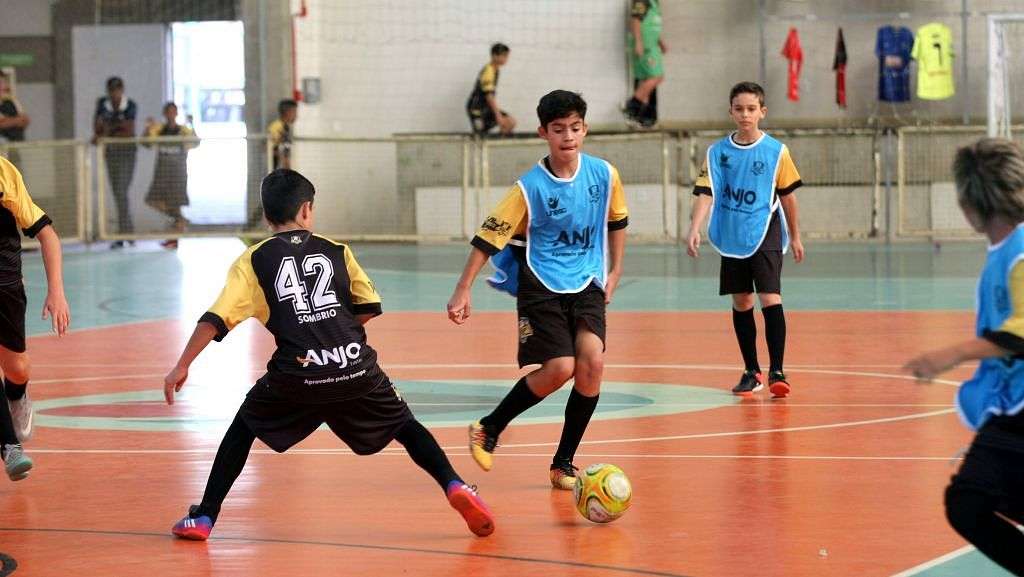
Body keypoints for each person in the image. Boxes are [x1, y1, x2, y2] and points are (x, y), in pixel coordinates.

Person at [164, 169, 494, 540]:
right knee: (406, 425)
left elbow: (215, 319)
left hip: (296, 375)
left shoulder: (253, 261)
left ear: (267, 215)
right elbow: (369, 304)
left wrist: (181, 365)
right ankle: (455, 485)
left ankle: (205, 517)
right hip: (354, 367)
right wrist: (337, 340)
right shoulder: (336, 250)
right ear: (307, 210)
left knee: (242, 429)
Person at [447, 90, 628, 490]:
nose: (568, 136)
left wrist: (615, 271)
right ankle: (489, 426)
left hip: (587, 281)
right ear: (543, 132)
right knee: (561, 368)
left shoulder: (604, 175)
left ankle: (563, 463)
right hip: (541, 283)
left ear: (585, 129)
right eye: (559, 129)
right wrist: (463, 289)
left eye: (575, 128)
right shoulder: (529, 187)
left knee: (592, 364)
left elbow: (617, 222)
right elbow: (488, 238)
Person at [905, 138, 1024, 576]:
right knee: (969, 501)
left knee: (969, 502)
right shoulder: (1006, 252)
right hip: (1011, 406)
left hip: (1020, 414)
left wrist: (950, 354)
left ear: (971, 201)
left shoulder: (1021, 253)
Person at [686, 81, 804, 397]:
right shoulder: (717, 153)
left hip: (765, 228)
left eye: (751, 109)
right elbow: (705, 192)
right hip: (732, 231)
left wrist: (795, 236)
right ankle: (751, 370)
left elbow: (789, 197)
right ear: (731, 111)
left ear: (762, 112)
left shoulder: (776, 152)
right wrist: (694, 227)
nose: (745, 114)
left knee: (769, 297)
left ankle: (778, 370)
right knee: (742, 301)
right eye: (739, 108)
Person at [0, 156, 71, 481]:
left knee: (17, 368)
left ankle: (16, 394)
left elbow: (48, 236)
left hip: (6, 285)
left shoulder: (3, 172)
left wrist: (56, 291)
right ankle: (10, 447)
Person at [144, 102, 197, 250]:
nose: (171, 114)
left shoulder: (183, 130)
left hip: (178, 173)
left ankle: (173, 239)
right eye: (168, 111)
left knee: (175, 205)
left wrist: (193, 125)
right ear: (164, 113)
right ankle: (180, 220)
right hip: (161, 172)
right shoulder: (159, 129)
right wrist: (148, 128)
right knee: (153, 200)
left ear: (176, 113)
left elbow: (195, 142)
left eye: (174, 111)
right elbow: (146, 143)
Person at [93, 76, 138, 248]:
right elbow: (97, 129)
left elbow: (128, 130)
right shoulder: (102, 104)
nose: (114, 94)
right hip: (110, 153)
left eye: (117, 90)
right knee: (118, 193)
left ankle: (124, 234)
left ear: (122, 90)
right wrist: (111, 130)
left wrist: (107, 130)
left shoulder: (131, 105)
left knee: (121, 191)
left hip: (127, 153)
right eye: (111, 90)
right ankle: (127, 232)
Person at [622, 0, 666, 129]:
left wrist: (660, 42)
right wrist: (639, 42)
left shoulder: (655, 4)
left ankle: (643, 116)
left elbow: (651, 26)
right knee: (657, 77)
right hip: (646, 48)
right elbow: (635, 21)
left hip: (652, 47)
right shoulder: (642, 1)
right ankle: (631, 107)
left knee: (649, 79)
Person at [466, 43, 515, 137]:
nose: (506, 59)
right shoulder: (488, 71)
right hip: (476, 109)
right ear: (494, 55)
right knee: (480, 132)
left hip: (486, 108)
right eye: (504, 56)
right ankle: (480, 137)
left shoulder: (495, 70)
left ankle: (497, 144)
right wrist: (498, 115)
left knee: (510, 122)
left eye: (507, 56)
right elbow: (489, 96)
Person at [0, 69, 29, 166]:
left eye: (3, 82)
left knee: (15, 176)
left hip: (13, 149)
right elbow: (2, 123)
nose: (3, 86)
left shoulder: (10, 102)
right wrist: (15, 121)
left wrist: (10, 121)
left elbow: (25, 119)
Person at [268, 99, 297, 171]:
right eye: (295, 112)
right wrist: (284, 159)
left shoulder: (286, 126)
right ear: (288, 112)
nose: (296, 115)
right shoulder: (276, 127)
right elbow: (271, 147)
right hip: (276, 168)